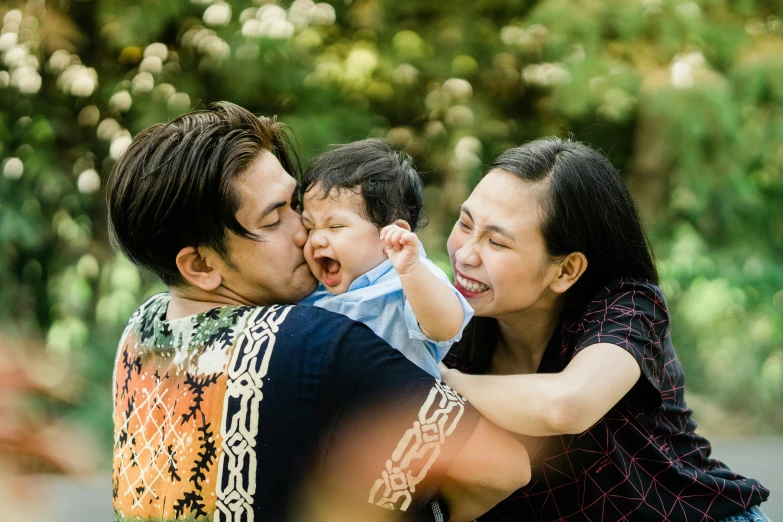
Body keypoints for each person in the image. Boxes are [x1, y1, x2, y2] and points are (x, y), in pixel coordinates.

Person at [106, 101, 531, 522]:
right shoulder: (313, 341)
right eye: (275, 220)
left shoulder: (141, 330)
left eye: (297, 206)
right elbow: (501, 469)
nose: (305, 232)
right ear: (200, 266)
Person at [439, 138, 771, 522]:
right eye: (465, 224)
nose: (465, 254)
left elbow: (568, 405)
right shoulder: (446, 325)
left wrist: (444, 381)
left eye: (497, 242)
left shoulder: (628, 306)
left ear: (566, 270)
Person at [298, 139, 473, 378]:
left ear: (391, 234)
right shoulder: (312, 291)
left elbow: (446, 326)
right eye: (309, 227)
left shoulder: (407, 281)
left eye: (335, 226)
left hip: (399, 410)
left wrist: (411, 271)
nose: (316, 239)